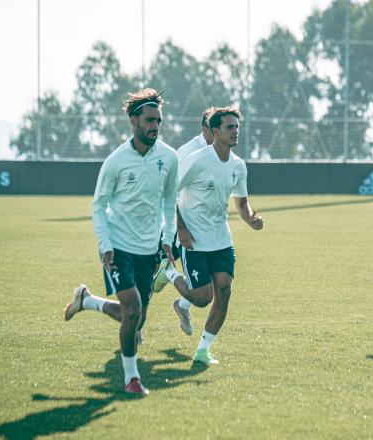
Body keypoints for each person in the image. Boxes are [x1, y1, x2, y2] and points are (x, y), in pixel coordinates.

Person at [62, 88, 178, 395]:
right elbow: (98, 205)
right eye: (150, 120)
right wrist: (105, 245)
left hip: (149, 249)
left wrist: (167, 240)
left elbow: (169, 202)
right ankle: (132, 379)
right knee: (133, 308)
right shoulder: (115, 161)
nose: (155, 126)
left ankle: (88, 301)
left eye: (159, 121)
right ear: (133, 121)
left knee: (134, 317)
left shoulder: (170, 158)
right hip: (119, 248)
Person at [159, 106, 263, 366]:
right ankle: (168, 273)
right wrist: (180, 228)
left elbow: (241, 203)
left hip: (221, 240)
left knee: (224, 292)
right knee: (203, 297)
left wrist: (250, 218)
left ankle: (203, 350)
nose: (235, 131)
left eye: (237, 127)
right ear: (215, 131)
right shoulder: (199, 159)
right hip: (193, 239)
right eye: (230, 127)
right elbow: (170, 192)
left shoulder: (238, 166)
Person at [152, 106, 217, 298]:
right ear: (205, 130)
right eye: (215, 128)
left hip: (200, 221)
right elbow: (169, 190)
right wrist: (180, 227)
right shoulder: (191, 152)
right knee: (153, 270)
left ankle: (181, 304)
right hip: (175, 220)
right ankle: (135, 320)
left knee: (217, 268)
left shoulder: (218, 152)